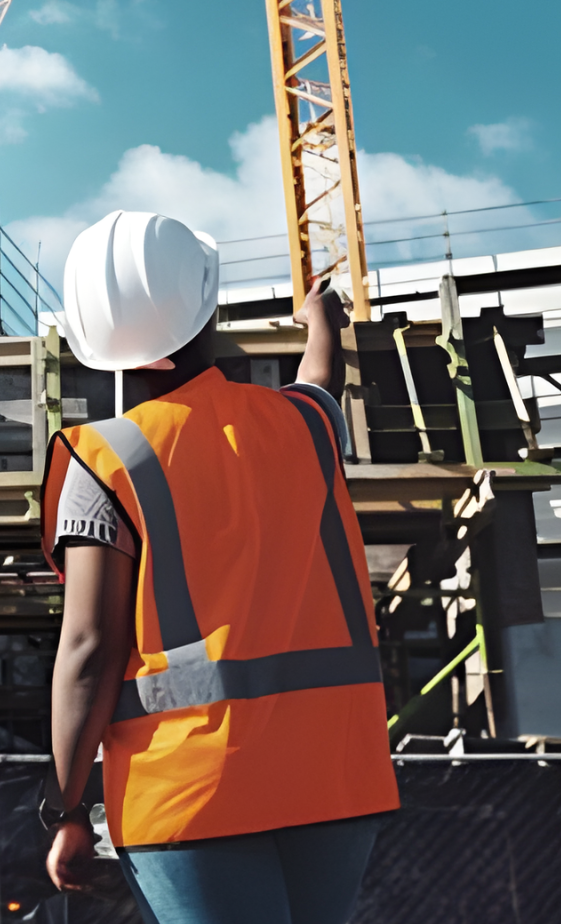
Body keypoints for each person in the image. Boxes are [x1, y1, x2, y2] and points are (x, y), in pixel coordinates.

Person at [39, 211, 399, 924]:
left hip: (190, 792)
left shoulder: (104, 457)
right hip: (334, 775)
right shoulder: (304, 427)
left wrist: (67, 805)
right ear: (209, 310)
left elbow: (87, 651)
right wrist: (320, 316)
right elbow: (319, 375)